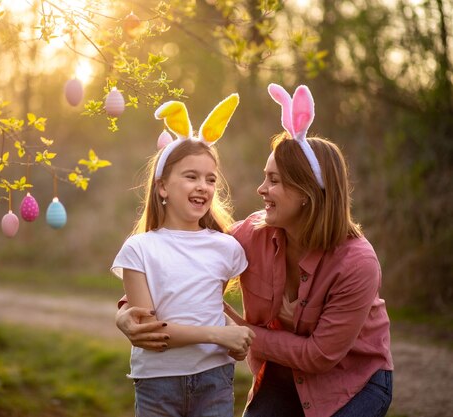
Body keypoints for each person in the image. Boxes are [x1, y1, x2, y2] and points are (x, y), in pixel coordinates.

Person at [116, 84, 394, 417]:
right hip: (281, 370)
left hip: (352, 379)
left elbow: (320, 355)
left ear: (306, 191)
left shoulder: (357, 263)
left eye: (274, 181)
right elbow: (182, 261)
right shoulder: (251, 235)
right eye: (265, 177)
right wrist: (126, 314)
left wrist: (235, 335)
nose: (261, 189)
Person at [111, 93, 256, 417]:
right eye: (191, 176)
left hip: (214, 381)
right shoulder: (139, 249)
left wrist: (236, 341)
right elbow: (151, 333)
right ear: (162, 186)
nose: (203, 186)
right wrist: (219, 335)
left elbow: (209, 306)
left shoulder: (227, 248)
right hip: (158, 385)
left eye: (210, 179)